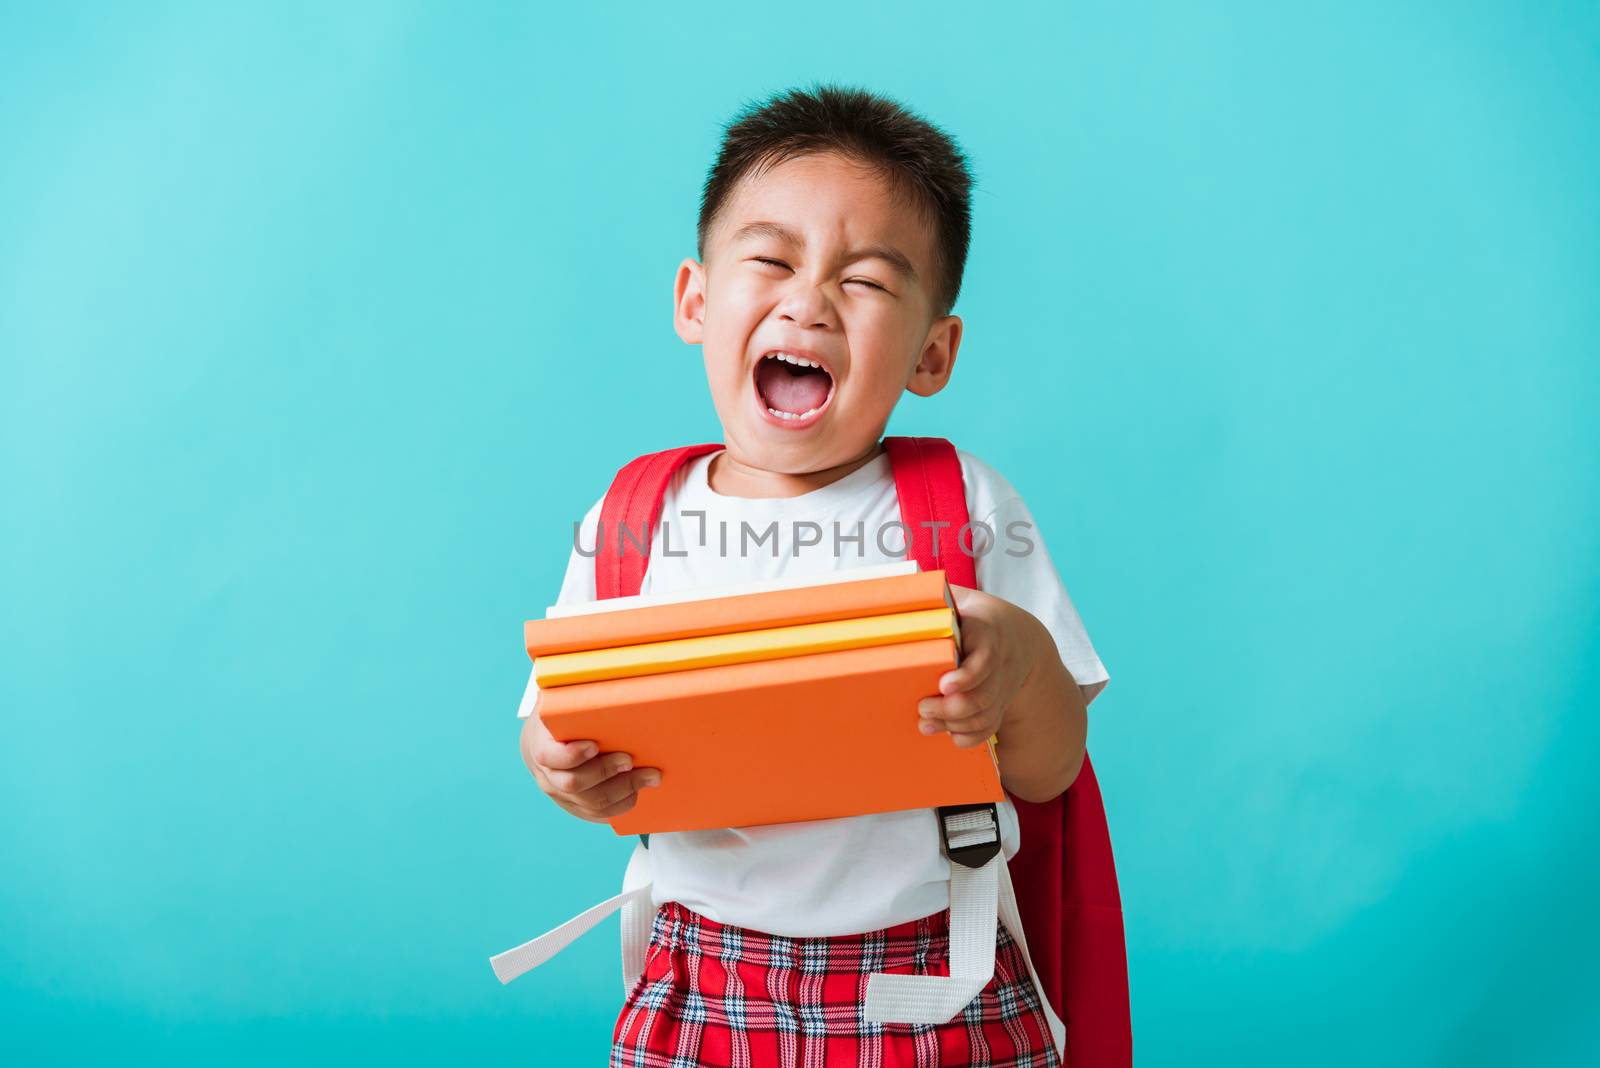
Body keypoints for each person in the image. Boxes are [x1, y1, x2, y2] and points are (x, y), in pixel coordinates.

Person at [517, 83, 1109, 1068]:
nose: (809, 299)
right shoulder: (631, 521)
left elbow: (1049, 769)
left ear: (932, 352)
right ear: (696, 301)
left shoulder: (963, 505)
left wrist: (1014, 661)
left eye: (867, 281)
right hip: (700, 978)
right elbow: (558, 730)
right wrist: (563, 767)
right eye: (770, 259)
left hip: (940, 976)